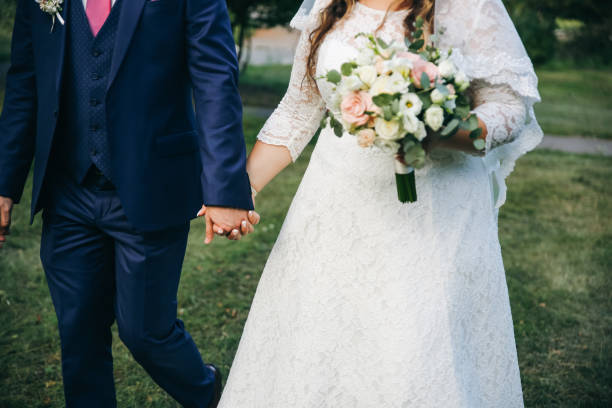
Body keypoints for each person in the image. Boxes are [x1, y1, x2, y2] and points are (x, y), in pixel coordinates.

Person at [219, 0, 543, 406]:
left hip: (435, 214)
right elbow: (298, 109)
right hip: (335, 204)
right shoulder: (330, 5)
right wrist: (238, 193)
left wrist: (439, 127)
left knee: (417, 349)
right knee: (322, 341)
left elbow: (509, 108)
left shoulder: (467, 6)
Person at [0, 0, 259, 406]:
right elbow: (24, 82)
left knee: (146, 333)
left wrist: (225, 190)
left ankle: (207, 393)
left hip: (152, 183)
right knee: (78, 333)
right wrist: (4, 184)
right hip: (68, 189)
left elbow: (214, 80)